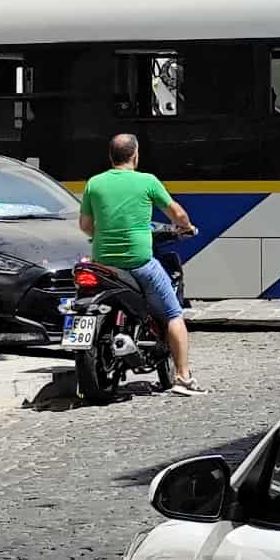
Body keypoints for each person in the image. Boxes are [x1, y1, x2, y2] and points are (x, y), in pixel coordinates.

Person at [80, 132, 203, 395]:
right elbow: (177, 213)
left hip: (104, 264)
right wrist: (187, 227)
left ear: (110, 156)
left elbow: (86, 225)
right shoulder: (147, 181)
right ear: (135, 155)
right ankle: (183, 377)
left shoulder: (94, 183)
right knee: (173, 314)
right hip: (139, 262)